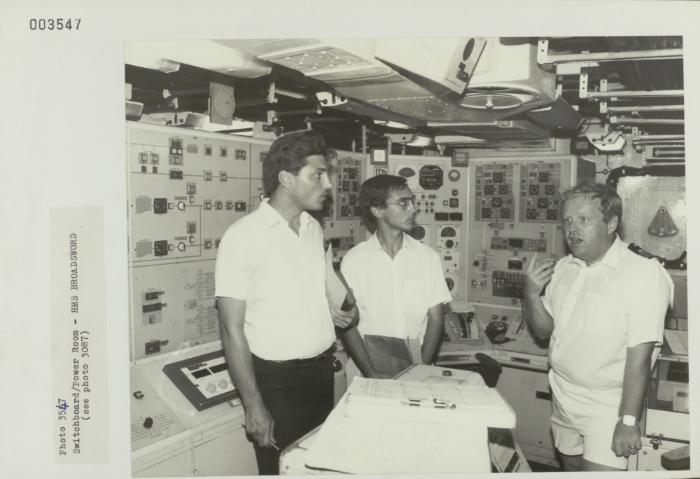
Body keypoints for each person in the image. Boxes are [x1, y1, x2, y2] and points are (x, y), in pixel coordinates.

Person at [215, 130, 355, 475]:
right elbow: (231, 329)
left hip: (321, 372)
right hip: (277, 382)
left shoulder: (312, 229)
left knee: (316, 468)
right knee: (282, 470)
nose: (328, 185)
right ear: (286, 179)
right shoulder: (243, 236)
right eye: (317, 175)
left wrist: (337, 312)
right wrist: (254, 406)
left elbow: (311, 295)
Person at [522, 182, 673, 471]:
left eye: (583, 220)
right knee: (571, 469)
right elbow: (544, 332)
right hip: (563, 394)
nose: (572, 229)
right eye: (567, 220)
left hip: (608, 404)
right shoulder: (566, 267)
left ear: (612, 223)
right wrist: (530, 294)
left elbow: (639, 357)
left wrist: (628, 420)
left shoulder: (643, 273)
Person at [340, 175, 452, 380]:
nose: (413, 209)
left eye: (412, 202)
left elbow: (436, 317)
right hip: (366, 370)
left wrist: (421, 369)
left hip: (418, 365)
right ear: (377, 210)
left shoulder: (427, 258)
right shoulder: (353, 260)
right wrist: (370, 373)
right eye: (403, 203)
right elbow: (348, 325)